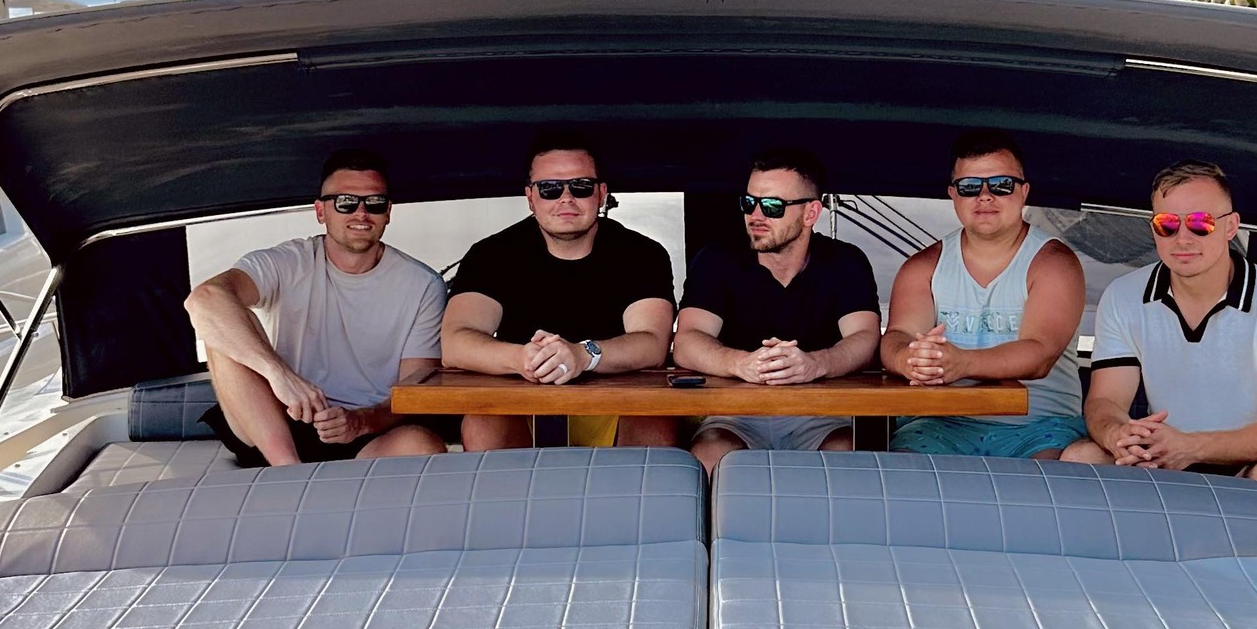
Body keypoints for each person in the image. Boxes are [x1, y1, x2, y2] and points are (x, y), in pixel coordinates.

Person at [1063, 160, 1257, 487]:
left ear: (1231, 227)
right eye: (1167, 224)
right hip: (1161, 459)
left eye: (1201, 223)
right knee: (1081, 458)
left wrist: (1191, 447)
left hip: (1253, 465)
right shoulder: (1123, 296)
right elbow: (1106, 401)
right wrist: (1119, 435)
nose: (1183, 238)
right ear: (1153, 230)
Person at [186, 148, 447, 467]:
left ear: (388, 212)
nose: (361, 213)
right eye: (346, 202)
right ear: (321, 211)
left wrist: (360, 422)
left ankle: (306, 476)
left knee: (423, 445)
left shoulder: (422, 284)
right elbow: (204, 298)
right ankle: (288, 471)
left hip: (364, 431)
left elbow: (414, 392)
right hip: (275, 421)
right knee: (222, 323)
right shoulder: (288, 262)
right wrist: (280, 376)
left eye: (375, 203)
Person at [442, 131, 677, 449]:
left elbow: (652, 343)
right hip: (522, 403)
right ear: (530, 196)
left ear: (601, 193)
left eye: (581, 186)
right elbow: (455, 343)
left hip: (617, 403)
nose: (566, 198)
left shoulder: (642, 254)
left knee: (655, 420)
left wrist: (583, 355)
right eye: (550, 188)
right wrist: (521, 358)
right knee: (483, 422)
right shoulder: (492, 254)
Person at [672, 147, 882, 474]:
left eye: (772, 206)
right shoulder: (717, 260)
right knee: (710, 454)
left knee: (850, 455)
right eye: (749, 203)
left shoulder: (845, 261)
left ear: (811, 213)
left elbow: (866, 338)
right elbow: (686, 341)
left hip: (823, 412)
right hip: (736, 412)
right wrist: (741, 363)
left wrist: (815, 364)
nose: (756, 216)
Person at [880, 131, 1088, 457]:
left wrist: (962, 363)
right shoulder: (923, 267)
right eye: (970, 187)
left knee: (1046, 481)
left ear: (1024, 192)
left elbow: (1040, 353)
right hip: (941, 424)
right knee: (900, 472)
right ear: (953, 195)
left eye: (1001, 185)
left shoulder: (1054, 264)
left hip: (1040, 427)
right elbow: (897, 336)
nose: (985, 196)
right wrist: (908, 360)